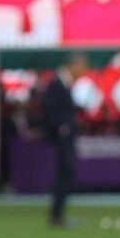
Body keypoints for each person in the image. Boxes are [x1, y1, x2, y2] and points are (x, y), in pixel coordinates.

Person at [42, 54, 87, 228]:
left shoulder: (65, 84)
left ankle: (58, 215)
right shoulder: (56, 84)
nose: (82, 72)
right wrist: (62, 127)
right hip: (63, 138)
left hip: (67, 136)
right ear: (73, 66)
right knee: (65, 174)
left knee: (67, 175)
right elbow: (49, 109)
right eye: (81, 68)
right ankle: (56, 215)